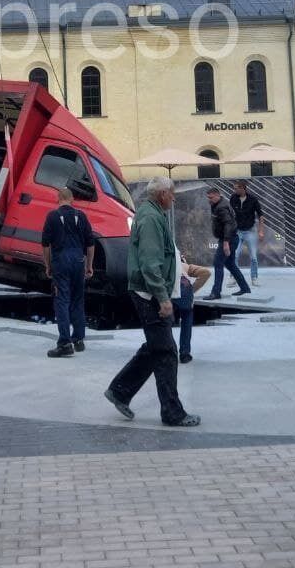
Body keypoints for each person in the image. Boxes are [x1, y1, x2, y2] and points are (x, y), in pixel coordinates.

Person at [105, 176, 199, 427]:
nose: (174, 197)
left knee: (156, 346)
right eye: (172, 193)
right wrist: (162, 296)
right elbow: (149, 262)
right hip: (149, 295)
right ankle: (172, 412)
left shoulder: (152, 215)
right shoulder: (150, 219)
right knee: (167, 351)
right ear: (161, 194)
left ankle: (120, 390)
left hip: (149, 293)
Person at [42, 187, 96, 358]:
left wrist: (48, 265)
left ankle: (65, 343)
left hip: (61, 262)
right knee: (78, 300)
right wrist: (89, 265)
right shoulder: (81, 216)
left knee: (62, 301)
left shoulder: (52, 216)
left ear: (58, 199)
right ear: (72, 199)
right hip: (78, 261)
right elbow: (90, 243)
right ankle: (79, 339)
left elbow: (45, 244)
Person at [204, 187, 251, 299]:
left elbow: (229, 225)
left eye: (210, 197)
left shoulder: (222, 207)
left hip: (228, 239)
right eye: (208, 197)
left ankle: (216, 293)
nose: (209, 200)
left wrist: (225, 243)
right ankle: (245, 288)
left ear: (217, 195)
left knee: (218, 263)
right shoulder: (217, 204)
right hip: (229, 239)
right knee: (230, 264)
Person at [173, 254, 210, 364]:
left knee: (163, 324)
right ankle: (185, 354)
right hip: (185, 289)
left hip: (169, 291)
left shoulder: (163, 262)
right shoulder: (185, 265)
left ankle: (166, 352)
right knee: (187, 319)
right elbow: (206, 272)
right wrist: (192, 290)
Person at [229, 180, 266, 287]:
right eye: (234, 188)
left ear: (243, 188)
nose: (234, 190)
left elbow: (261, 216)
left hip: (250, 231)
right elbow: (231, 214)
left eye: (236, 188)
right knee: (234, 255)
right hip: (237, 231)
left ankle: (254, 277)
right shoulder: (233, 198)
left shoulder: (253, 199)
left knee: (253, 257)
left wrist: (261, 231)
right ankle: (234, 277)